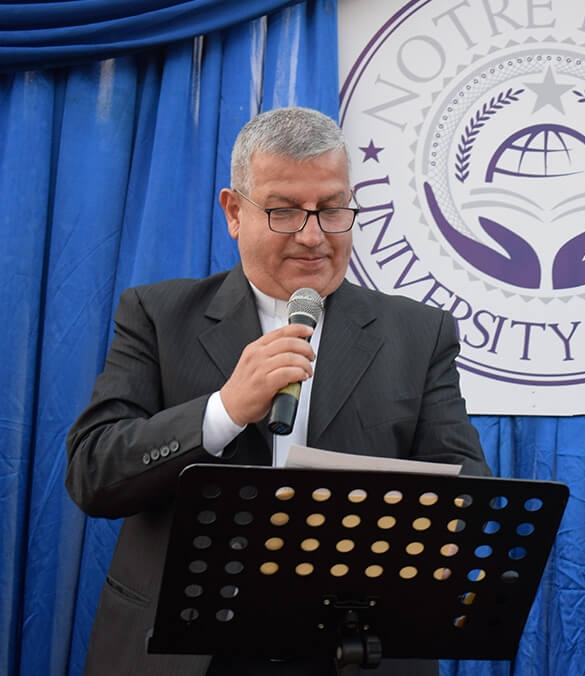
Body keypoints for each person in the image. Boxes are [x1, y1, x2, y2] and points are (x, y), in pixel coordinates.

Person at [65, 106, 491, 676]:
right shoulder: (157, 316)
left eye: (332, 209)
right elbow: (94, 475)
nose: (314, 236)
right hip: (186, 654)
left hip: (355, 650)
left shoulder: (420, 334)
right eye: (286, 211)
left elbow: (469, 498)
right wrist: (222, 411)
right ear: (234, 212)